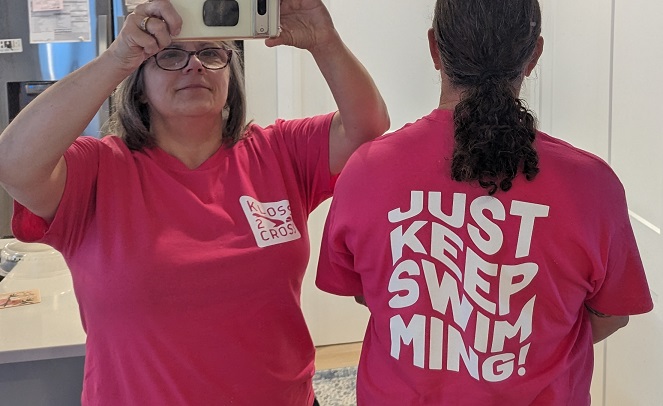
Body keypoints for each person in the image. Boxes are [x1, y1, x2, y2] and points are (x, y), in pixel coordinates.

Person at [0, 0, 389, 404]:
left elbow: (368, 127)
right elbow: (13, 163)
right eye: (170, 55)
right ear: (139, 86)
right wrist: (117, 57)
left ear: (230, 75)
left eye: (211, 53)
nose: (194, 65)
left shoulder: (279, 151)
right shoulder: (98, 170)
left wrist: (324, 40)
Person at [315, 0, 653, 405]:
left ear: (435, 50)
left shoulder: (365, 171)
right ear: (533, 55)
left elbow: (368, 292)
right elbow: (612, 315)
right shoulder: (593, 187)